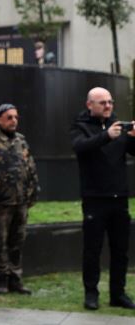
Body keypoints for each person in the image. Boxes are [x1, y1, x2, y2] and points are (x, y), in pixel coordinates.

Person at [70, 87, 135, 311]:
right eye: (103, 103)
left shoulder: (119, 126)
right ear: (90, 105)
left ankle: (118, 293)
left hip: (119, 198)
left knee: (121, 250)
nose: (108, 106)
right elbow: (79, 147)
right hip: (94, 198)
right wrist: (106, 136)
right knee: (92, 249)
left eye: (110, 102)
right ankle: (91, 293)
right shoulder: (81, 126)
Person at [0, 104, 39, 295]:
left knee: (17, 242)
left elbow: (30, 168)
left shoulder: (21, 141)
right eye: (9, 117)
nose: (14, 121)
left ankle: (16, 279)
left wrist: (33, 193)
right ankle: (1, 279)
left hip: (21, 202)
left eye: (16, 117)